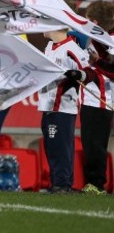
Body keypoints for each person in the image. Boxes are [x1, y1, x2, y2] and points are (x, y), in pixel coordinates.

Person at [38, 27, 91, 193]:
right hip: (47, 106)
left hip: (62, 107)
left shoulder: (72, 49)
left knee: (60, 147)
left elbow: (89, 73)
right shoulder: (49, 46)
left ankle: (62, 184)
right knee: (51, 146)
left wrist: (78, 75)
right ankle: (57, 183)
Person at [80, 0, 114, 195]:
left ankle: (97, 184)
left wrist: (96, 62)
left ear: (94, 21)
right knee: (90, 144)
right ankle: (92, 184)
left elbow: (112, 70)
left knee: (96, 145)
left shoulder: (111, 41)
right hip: (90, 98)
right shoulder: (96, 40)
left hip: (102, 100)